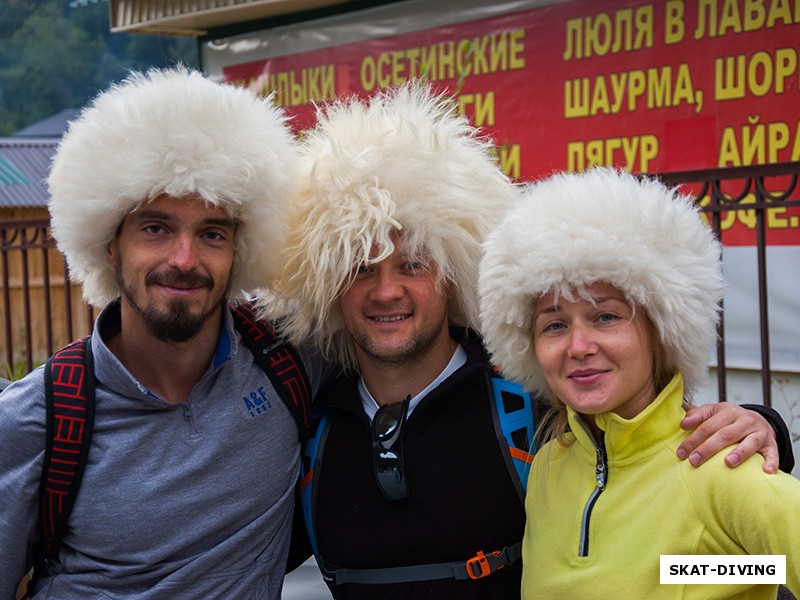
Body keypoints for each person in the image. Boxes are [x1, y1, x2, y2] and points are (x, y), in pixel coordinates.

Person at [266, 85, 793, 600]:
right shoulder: (309, 425)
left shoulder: (531, 407)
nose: (386, 290)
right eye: (358, 267)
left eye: (413, 264)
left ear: (452, 271)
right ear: (326, 281)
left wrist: (757, 433)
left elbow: (709, 537)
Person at [0, 67, 330, 599]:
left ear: (240, 249)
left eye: (212, 233)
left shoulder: (286, 362)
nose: (184, 260)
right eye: (156, 228)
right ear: (110, 242)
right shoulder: (36, 419)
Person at [478, 167, 800, 599]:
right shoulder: (548, 467)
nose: (578, 345)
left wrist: (735, 570)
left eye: (605, 316)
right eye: (554, 325)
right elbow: (705, 568)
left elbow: (757, 565)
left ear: (660, 328)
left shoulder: (717, 467)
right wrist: (714, 571)